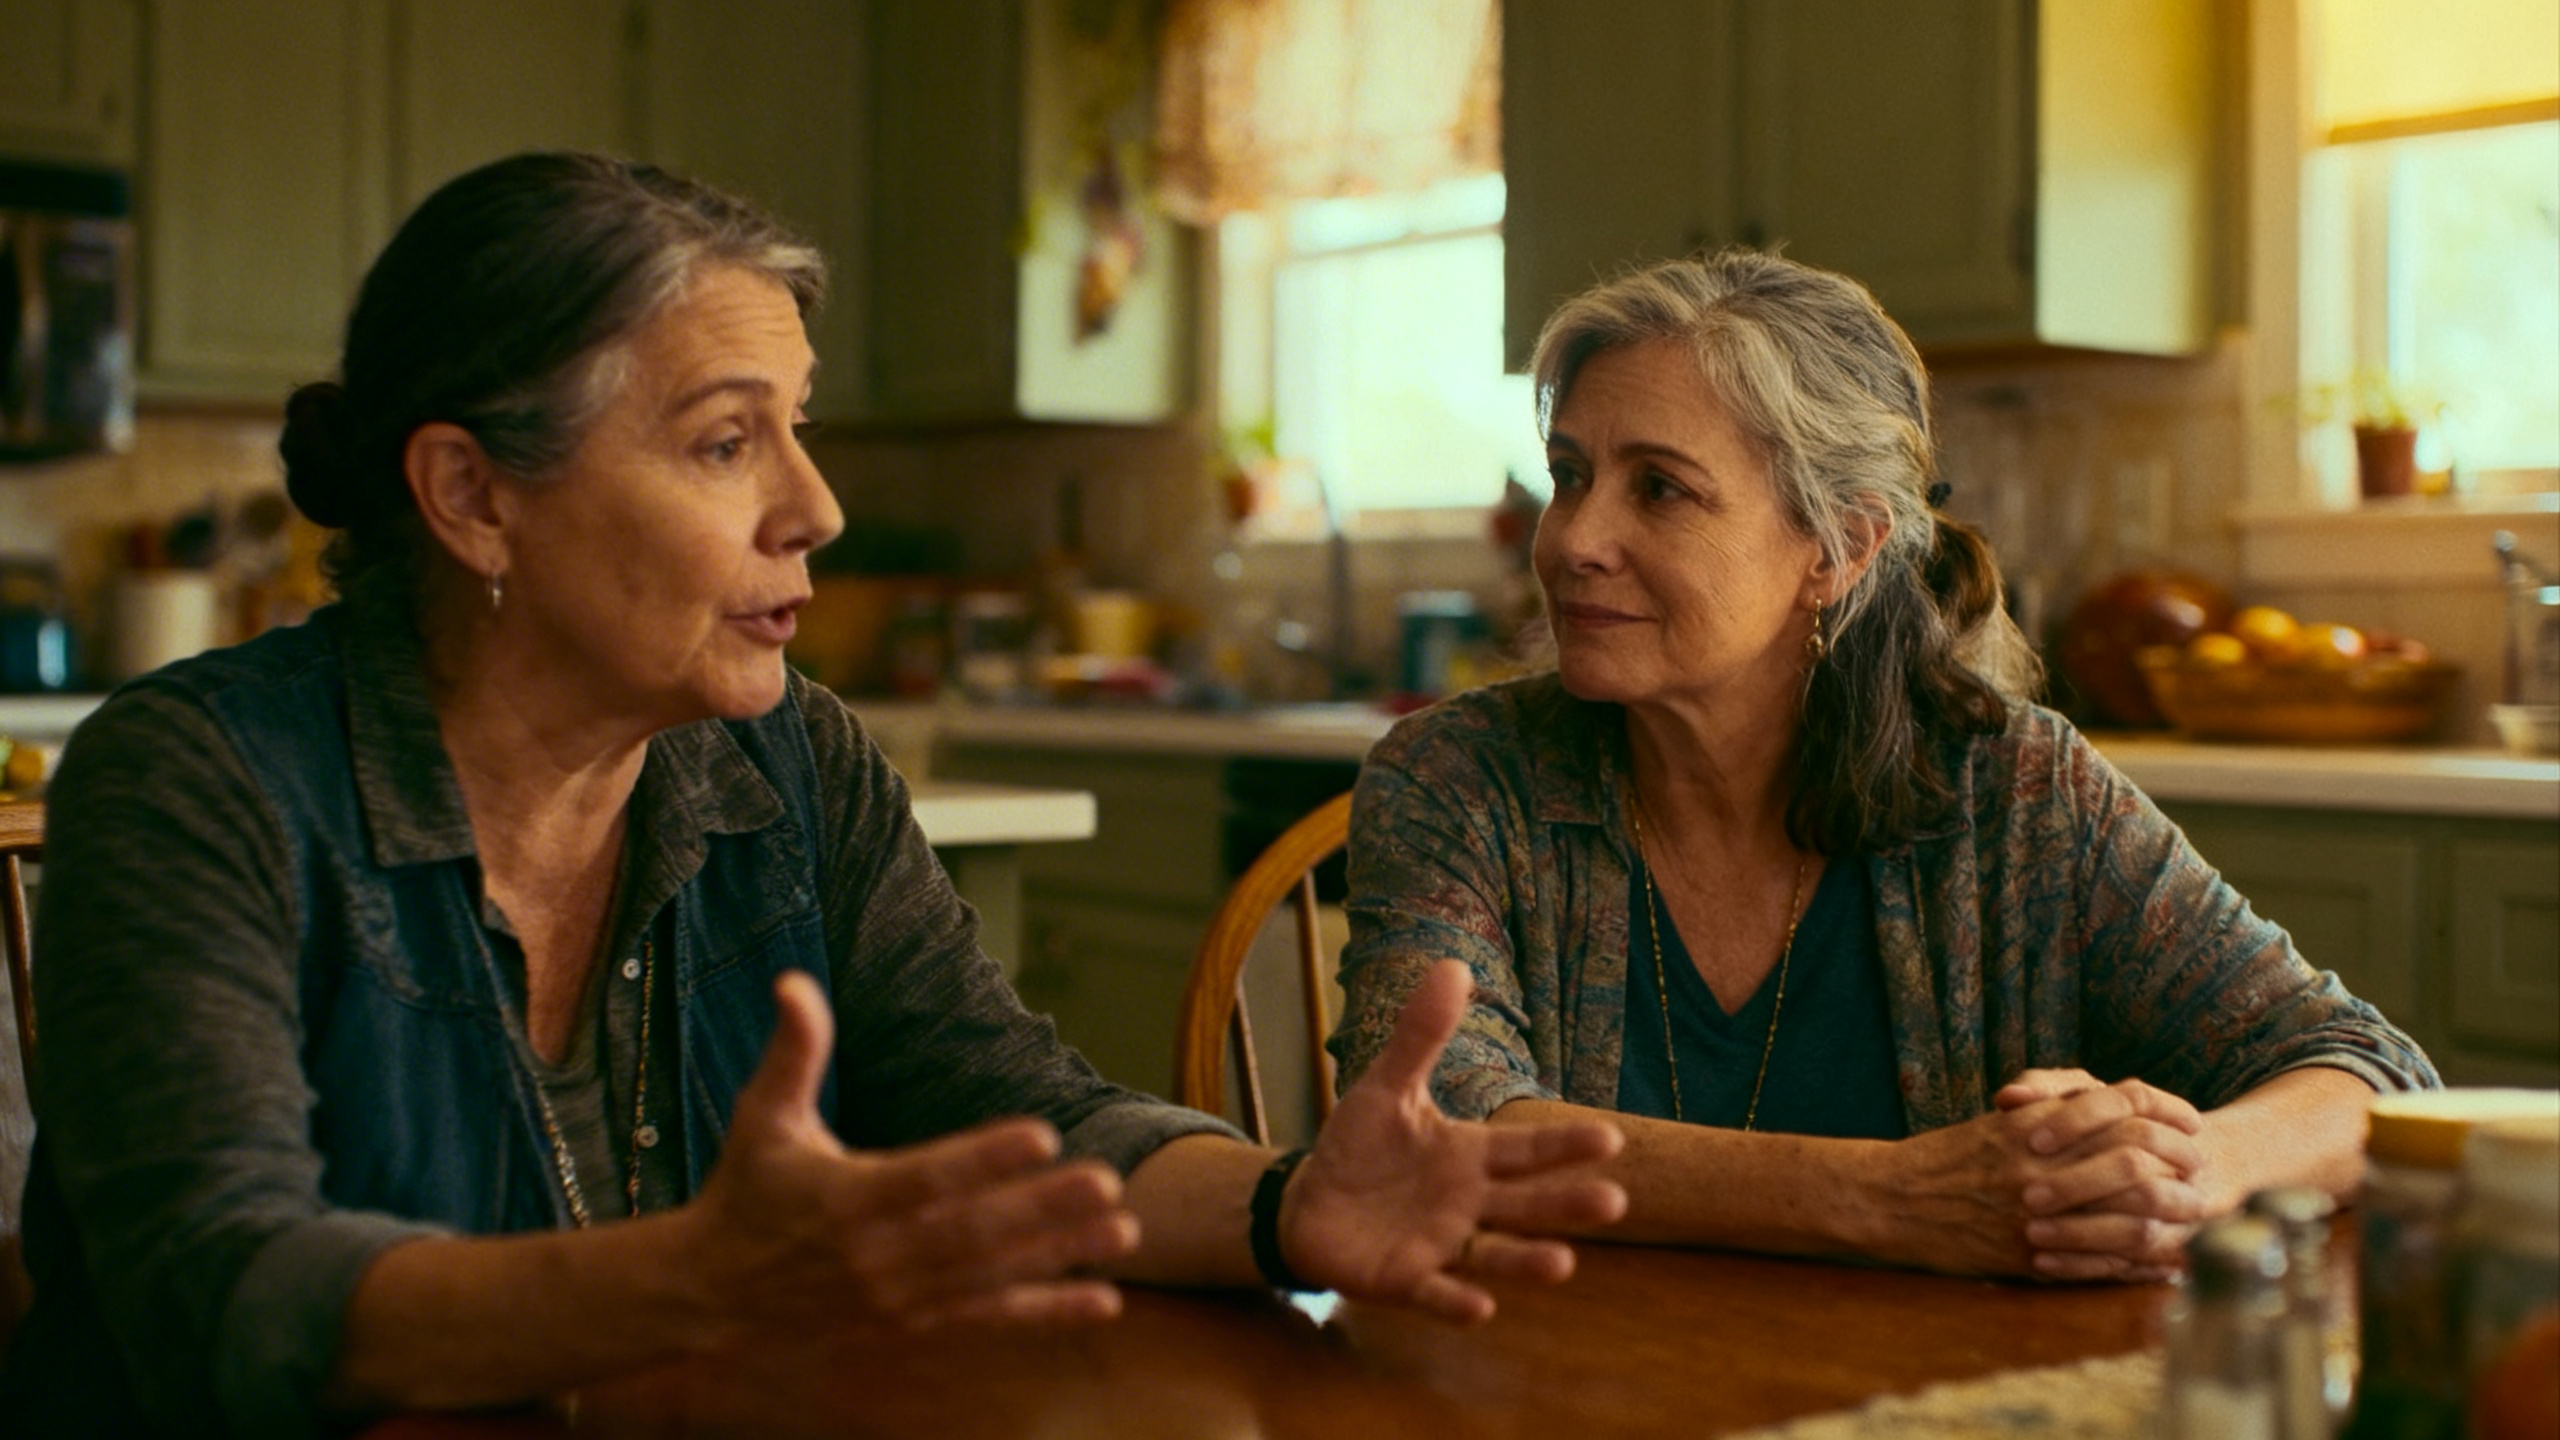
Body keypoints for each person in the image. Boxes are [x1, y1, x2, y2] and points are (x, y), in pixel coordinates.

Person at [0, 152, 1627, 1437]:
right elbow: (230, 1298)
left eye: (802, 432)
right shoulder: (198, 779)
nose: (819, 508)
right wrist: (696, 1281)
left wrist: (1284, 1209)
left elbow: (1026, 1115)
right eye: (726, 444)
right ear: (472, 497)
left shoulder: (787, 764)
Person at [1329, 249, 2435, 1286]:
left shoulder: (2014, 792)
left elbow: (2368, 1072)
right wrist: (1895, 1197)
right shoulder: (1458, 780)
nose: (1573, 538)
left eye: (1657, 488)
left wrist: (2193, 1170)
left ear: (1839, 548)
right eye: (1569, 475)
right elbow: (1429, 1131)